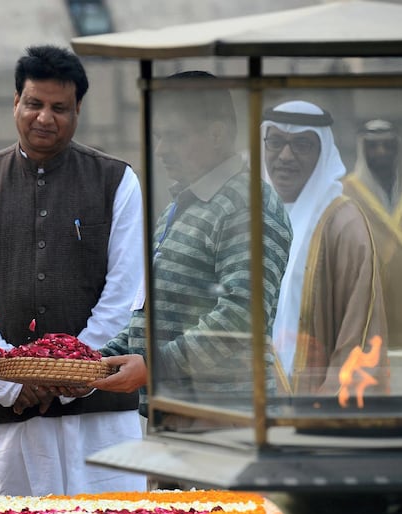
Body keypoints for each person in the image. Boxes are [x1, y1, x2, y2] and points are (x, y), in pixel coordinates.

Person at [0, 44, 146, 496]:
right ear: (16, 103)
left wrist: (70, 375)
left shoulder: (117, 181)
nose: (44, 118)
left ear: (78, 110)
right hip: (1, 415)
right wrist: (9, 378)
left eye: (59, 107)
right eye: (34, 103)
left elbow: (125, 294)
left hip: (98, 417)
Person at [89, 72, 292, 428]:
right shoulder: (183, 204)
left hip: (227, 421)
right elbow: (150, 312)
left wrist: (153, 366)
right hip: (177, 414)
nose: (161, 150)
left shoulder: (248, 204)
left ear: (216, 134)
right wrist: (99, 361)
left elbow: (241, 315)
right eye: (159, 136)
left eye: (175, 137)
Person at [262, 100, 388, 395]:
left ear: (322, 153)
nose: (285, 156)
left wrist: (327, 410)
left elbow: (358, 333)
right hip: (249, 406)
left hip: (312, 404)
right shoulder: (249, 215)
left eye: (301, 145)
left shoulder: (343, 223)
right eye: (276, 142)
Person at [342, 119, 402, 350]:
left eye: (388, 145)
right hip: (370, 300)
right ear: (362, 149)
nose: (381, 151)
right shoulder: (346, 192)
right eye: (373, 146)